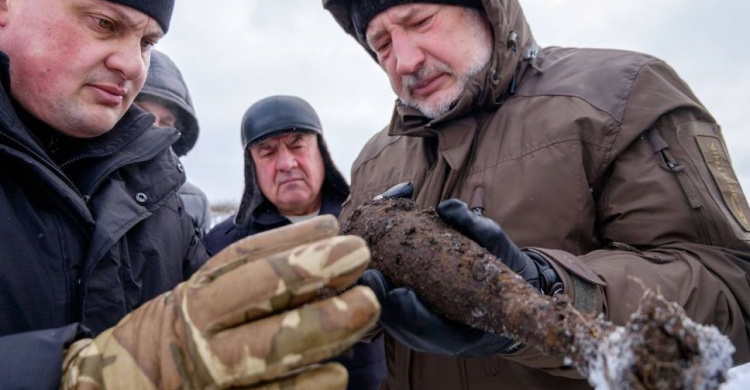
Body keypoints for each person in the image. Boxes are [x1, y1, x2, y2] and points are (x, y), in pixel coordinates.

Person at [323, 0, 750, 388]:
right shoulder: (375, 158)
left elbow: (732, 289)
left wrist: (544, 285)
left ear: (481, 9)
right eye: (381, 45)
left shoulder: (621, 95)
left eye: (420, 21)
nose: (405, 60)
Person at [0, 0, 379, 388]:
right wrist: (69, 378)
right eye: (104, 24)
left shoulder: (162, 206)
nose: (132, 65)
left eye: (147, 42)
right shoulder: (215, 234)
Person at [206, 95, 387, 390]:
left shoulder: (367, 224)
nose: (286, 164)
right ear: (251, 166)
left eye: (297, 145)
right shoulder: (222, 248)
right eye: (267, 152)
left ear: (321, 151)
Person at [135, 49, 211, 237]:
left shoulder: (193, 203)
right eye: (142, 115)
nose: (154, 129)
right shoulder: (80, 186)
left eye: (166, 122)